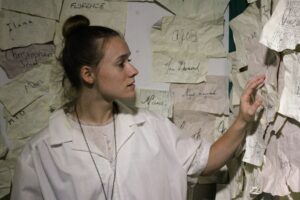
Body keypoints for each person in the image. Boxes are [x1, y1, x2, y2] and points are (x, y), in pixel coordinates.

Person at [10, 15, 265, 200]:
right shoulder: (41, 154)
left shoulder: (151, 126)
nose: (133, 70)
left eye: (130, 59)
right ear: (88, 74)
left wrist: (242, 119)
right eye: (121, 63)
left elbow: (205, 161)